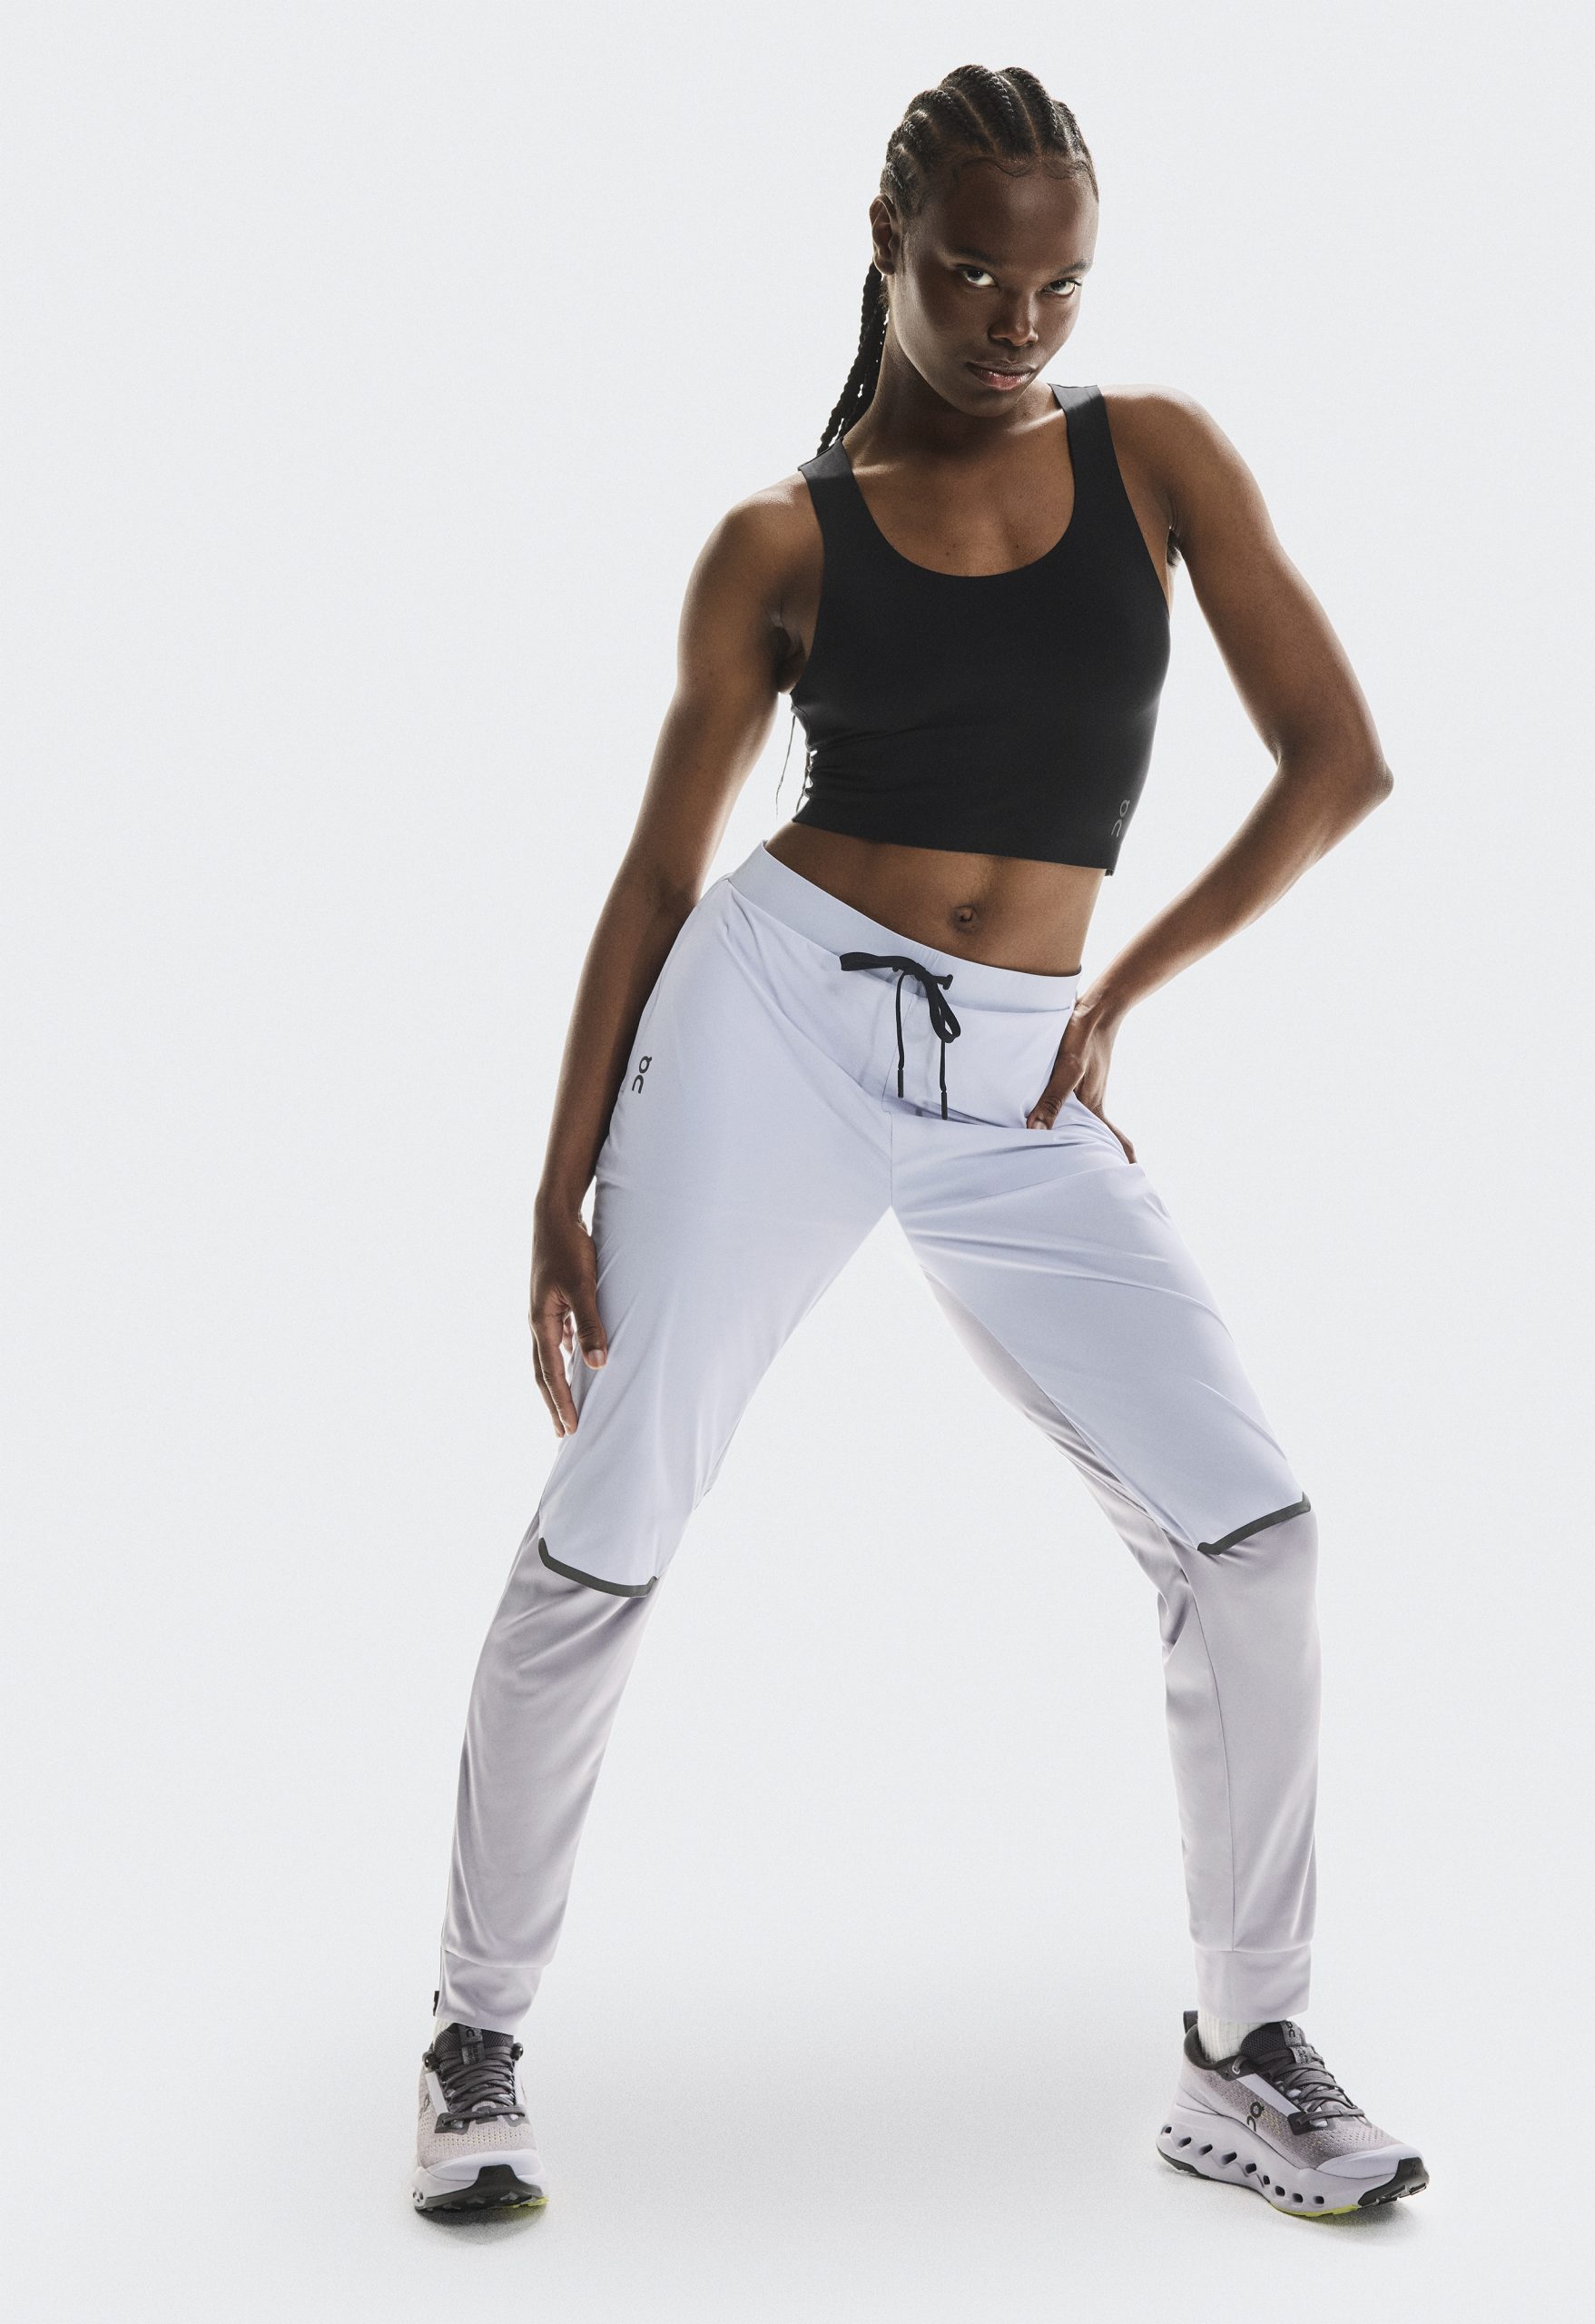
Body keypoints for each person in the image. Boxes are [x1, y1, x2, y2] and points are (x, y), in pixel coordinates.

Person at [411, 63, 1426, 2224]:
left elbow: (1338, 758)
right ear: (886, 247)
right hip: (774, 1022)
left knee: (1255, 1533)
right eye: (970, 273)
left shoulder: (1157, 458)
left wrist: (1121, 990)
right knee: (622, 1495)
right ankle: (473, 2034)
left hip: (1018, 1079)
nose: (1013, 320)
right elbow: (657, 873)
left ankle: (1244, 2049)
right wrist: (556, 1181)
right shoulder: (781, 539)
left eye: (1055, 282)